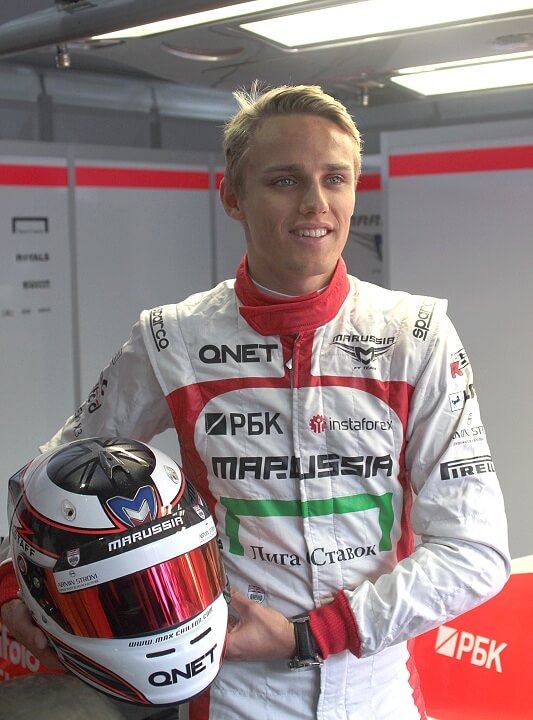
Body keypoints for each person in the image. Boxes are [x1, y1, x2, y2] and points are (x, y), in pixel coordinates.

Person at [1, 84, 510, 719]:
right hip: (234, 692)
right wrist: (17, 585)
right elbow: (51, 474)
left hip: (376, 690)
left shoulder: (417, 336)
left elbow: (475, 551)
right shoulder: (173, 337)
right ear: (232, 197)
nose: (315, 203)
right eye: (285, 180)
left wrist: (314, 634)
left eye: (335, 178)